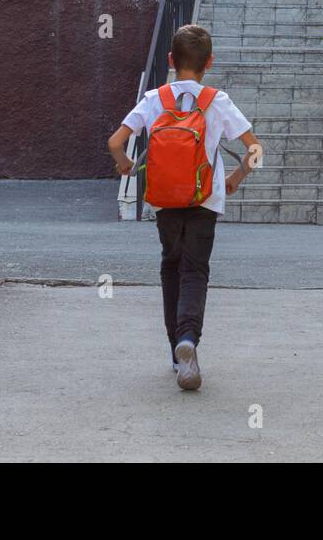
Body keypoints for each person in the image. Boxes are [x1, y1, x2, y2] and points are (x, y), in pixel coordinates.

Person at [107, 24, 261, 391]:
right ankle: (188, 338)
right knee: (195, 270)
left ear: (171, 60)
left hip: (165, 201)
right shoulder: (216, 100)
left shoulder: (155, 98)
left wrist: (124, 165)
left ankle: (177, 353)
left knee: (171, 267)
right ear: (209, 62)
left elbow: (115, 142)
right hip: (205, 200)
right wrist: (235, 179)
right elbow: (255, 150)